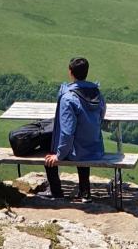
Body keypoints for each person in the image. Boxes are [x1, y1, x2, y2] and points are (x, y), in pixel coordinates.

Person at [42, 56, 106, 202]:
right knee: (83, 138)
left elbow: (67, 131)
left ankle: (56, 192)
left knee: (50, 146)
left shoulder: (68, 98)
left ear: (70, 72)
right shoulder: (97, 93)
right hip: (96, 148)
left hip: (79, 152)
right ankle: (84, 193)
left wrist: (58, 155)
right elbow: (101, 116)